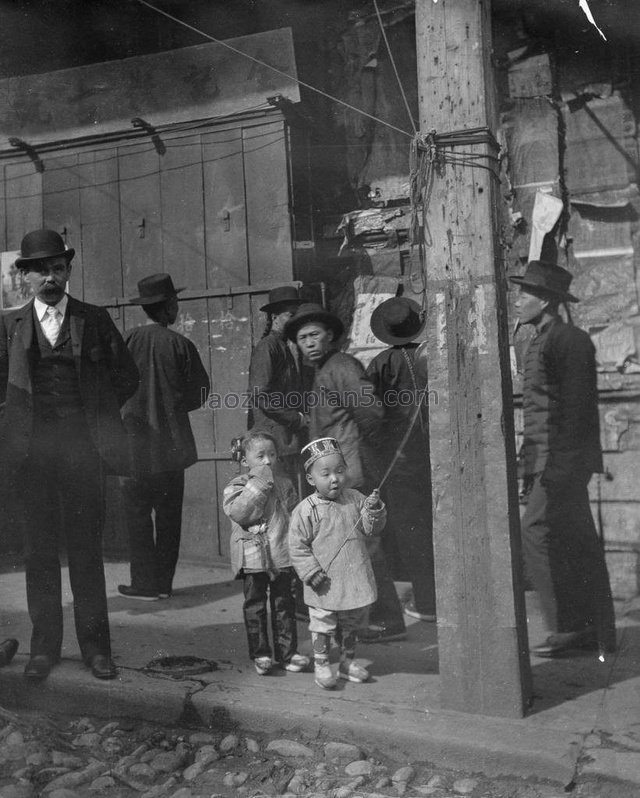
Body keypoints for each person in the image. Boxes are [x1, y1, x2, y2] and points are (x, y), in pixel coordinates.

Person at [0, 229, 139, 681]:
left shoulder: (94, 319)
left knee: (85, 552)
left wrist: (95, 417)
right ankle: (44, 649)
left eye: (57, 268)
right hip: (32, 458)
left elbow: (126, 377)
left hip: (83, 453)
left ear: (68, 272)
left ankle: (96, 650)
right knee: (39, 552)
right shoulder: (9, 325)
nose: (50, 277)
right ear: (26, 277)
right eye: (40, 269)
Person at [511, 260, 616, 657]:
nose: (517, 300)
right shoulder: (538, 339)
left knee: (535, 532)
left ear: (545, 300)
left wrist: (559, 468)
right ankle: (590, 628)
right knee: (575, 541)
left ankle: (570, 626)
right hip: (546, 460)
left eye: (525, 294)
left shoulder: (570, 340)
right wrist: (528, 466)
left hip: (563, 462)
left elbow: (577, 411)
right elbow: (536, 412)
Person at [284, 303, 407, 643]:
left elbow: (371, 412)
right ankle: (365, 617)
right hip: (338, 472)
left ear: (331, 336)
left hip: (351, 471)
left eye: (315, 335)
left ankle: (386, 620)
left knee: (365, 546)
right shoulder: (326, 369)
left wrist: (364, 454)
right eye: (302, 338)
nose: (308, 343)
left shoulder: (341, 366)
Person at [118, 273, 211, 601]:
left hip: (134, 447)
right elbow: (201, 391)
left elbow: (111, 388)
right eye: (174, 304)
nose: (177, 309)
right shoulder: (181, 345)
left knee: (138, 517)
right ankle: (162, 585)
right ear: (168, 306)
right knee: (169, 518)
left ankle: (143, 584)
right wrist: (173, 408)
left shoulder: (126, 341)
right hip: (172, 449)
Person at [289, 437, 386, 689]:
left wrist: (374, 511)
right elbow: (297, 546)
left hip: (353, 575)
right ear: (311, 479)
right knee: (322, 623)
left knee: (351, 621)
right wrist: (310, 572)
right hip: (323, 581)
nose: (335, 478)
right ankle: (322, 665)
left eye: (340, 471)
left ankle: (346, 662)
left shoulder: (355, 498)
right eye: (326, 473)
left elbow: (370, 528)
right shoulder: (305, 510)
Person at [366, 297, 436, 623]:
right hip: (433, 454)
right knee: (430, 526)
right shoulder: (429, 355)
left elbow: (370, 413)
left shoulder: (381, 363)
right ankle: (434, 595)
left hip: (399, 459)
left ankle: (427, 603)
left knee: (411, 531)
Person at [223, 430, 310, 675]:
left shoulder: (284, 484)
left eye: (272, 454)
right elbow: (240, 513)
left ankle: (288, 653)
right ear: (244, 461)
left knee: (285, 604)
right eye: (260, 456)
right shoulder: (237, 486)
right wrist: (259, 483)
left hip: (281, 554)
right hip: (252, 558)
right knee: (255, 605)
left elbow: (295, 516)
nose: (267, 461)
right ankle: (261, 653)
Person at [247, 286, 307, 481]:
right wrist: (295, 418)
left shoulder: (285, 347)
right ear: (274, 316)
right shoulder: (267, 347)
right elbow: (260, 395)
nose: (295, 321)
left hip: (285, 440)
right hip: (272, 441)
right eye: (290, 315)